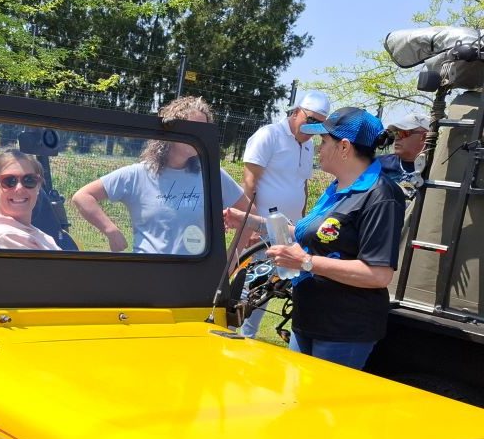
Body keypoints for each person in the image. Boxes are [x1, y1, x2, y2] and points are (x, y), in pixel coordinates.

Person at [225, 107, 403, 370]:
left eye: (324, 141)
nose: (317, 148)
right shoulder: (337, 187)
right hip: (310, 319)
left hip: (344, 329)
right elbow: (307, 233)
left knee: (323, 409)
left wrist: (306, 262)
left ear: (344, 147)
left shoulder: (382, 196)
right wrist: (248, 220)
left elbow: (378, 275)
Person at [71, 95, 250, 255]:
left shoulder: (213, 176)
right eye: (192, 128)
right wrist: (111, 230)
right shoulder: (137, 174)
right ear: (171, 130)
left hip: (196, 277)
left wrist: (229, 263)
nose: (198, 135)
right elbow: (83, 196)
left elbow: (251, 215)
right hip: (147, 276)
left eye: (202, 130)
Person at [237, 89, 332, 337]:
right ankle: (229, 328)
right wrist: (250, 226)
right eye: (309, 119)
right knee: (247, 281)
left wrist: (302, 224)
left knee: (271, 284)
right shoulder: (269, 135)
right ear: (296, 111)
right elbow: (249, 180)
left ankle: (248, 335)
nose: (313, 128)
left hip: (288, 230)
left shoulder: (309, 146)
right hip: (261, 227)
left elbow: (302, 185)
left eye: (320, 124)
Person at [0, 150, 61, 250]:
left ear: (38, 186)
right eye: (9, 181)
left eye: (29, 180)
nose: (19, 188)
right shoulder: (6, 237)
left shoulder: (36, 234)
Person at [380, 111, 430, 197]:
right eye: (395, 133)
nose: (397, 138)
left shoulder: (434, 169)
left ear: (424, 137)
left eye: (403, 133)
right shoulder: (378, 164)